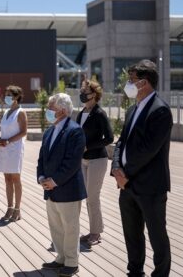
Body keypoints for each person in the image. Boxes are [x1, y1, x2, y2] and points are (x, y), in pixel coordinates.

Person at [111, 60, 172, 277]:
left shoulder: (161, 111)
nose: (128, 84)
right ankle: (134, 271)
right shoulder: (132, 110)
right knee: (132, 234)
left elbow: (148, 150)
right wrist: (117, 168)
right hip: (126, 184)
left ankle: (161, 274)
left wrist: (126, 175)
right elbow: (121, 143)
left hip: (150, 186)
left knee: (157, 235)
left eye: (132, 80)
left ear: (144, 82)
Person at [37, 93, 86, 277]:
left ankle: (72, 262)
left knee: (70, 226)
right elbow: (42, 158)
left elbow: (72, 162)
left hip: (68, 188)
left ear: (63, 111)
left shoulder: (75, 131)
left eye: (51, 108)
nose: (48, 111)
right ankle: (61, 257)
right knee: (56, 225)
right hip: (50, 189)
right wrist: (41, 176)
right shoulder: (49, 131)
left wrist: (54, 180)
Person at [76, 79, 113, 246]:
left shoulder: (99, 114)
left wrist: (88, 147)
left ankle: (96, 233)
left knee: (92, 197)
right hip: (83, 160)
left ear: (94, 94)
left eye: (85, 91)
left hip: (97, 159)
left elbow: (110, 138)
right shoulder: (81, 112)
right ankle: (93, 230)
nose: (82, 94)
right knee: (87, 197)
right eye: (82, 91)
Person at [0, 85, 27, 222]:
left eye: (10, 95)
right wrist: (2, 139)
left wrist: (8, 141)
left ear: (16, 97)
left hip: (15, 148)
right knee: (7, 179)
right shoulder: (6, 111)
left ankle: (17, 209)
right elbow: (5, 130)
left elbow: (23, 132)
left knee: (15, 179)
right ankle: (9, 207)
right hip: (4, 148)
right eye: (6, 95)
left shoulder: (21, 112)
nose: (7, 97)